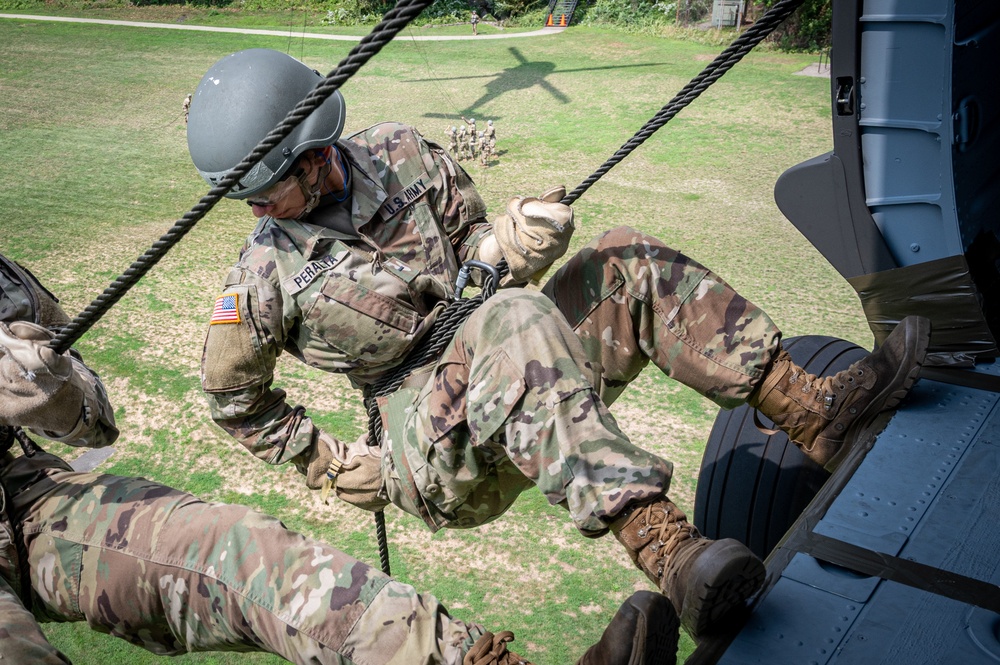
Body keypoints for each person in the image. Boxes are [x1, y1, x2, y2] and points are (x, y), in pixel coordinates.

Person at [187, 49, 931, 640]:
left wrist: (509, 239)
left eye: (268, 187)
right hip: (428, 443)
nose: (255, 206)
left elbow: (472, 244)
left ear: (316, 154)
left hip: (510, 358)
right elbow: (229, 397)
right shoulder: (262, 275)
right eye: (243, 194)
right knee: (509, 320)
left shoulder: (401, 153)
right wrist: (329, 462)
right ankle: (670, 554)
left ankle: (811, 410)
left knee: (619, 260)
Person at [0, 255, 680, 664]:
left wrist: (48, 387)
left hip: (22, 495)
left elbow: (94, 423)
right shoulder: (259, 271)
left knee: (251, 551)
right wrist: (316, 456)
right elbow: (229, 387)